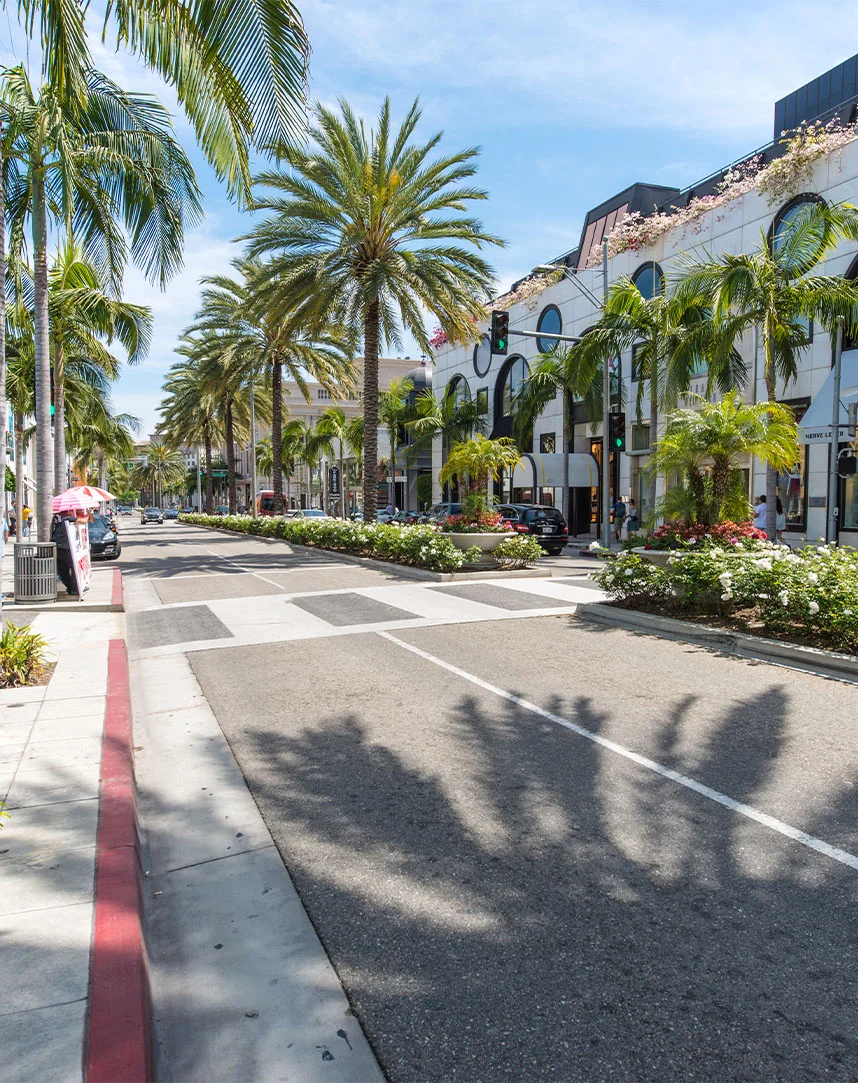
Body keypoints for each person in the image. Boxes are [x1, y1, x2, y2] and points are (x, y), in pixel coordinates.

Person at [52, 513, 78, 596]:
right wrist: (88, 514)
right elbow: (84, 521)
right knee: (74, 568)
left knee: (62, 571)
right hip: (66, 548)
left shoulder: (55, 519)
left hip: (57, 548)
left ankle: (70, 587)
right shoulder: (68, 518)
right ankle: (74, 588)